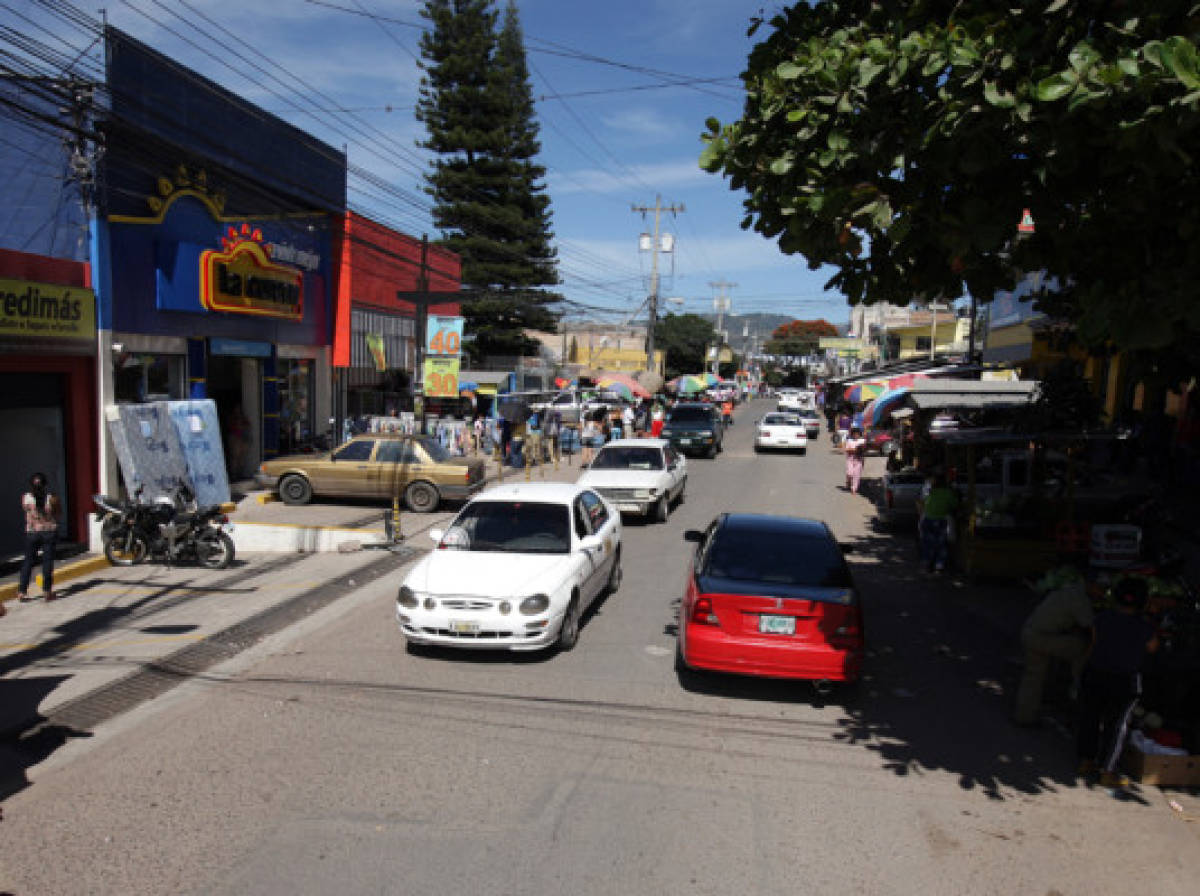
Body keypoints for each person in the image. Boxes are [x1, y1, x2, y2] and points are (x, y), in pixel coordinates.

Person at [1076, 577, 1158, 787]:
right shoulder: (1144, 627)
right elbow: (1152, 648)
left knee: (1090, 717)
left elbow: (1093, 643)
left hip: (1095, 673)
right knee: (1117, 725)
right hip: (1124, 680)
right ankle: (1107, 771)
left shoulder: (1101, 618)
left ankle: (1086, 761)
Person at [1012, 566, 1094, 726]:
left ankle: (1024, 716)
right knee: (1082, 648)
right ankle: (1076, 687)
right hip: (1042, 637)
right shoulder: (1080, 599)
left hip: (1030, 633)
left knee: (1033, 675)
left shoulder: (1068, 590)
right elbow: (1091, 630)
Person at [17, 472, 62, 603]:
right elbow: (58, 514)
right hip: (49, 532)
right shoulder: (51, 498)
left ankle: (22, 591)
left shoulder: (26, 498)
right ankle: (47, 591)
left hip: (32, 532)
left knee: (28, 561)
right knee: (47, 562)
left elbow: (26, 511)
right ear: (45, 484)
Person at [918, 471, 958, 572]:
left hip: (928, 519)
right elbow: (955, 505)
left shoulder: (931, 492)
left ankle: (926, 564)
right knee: (941, 544)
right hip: (940, 520)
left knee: (927, 543)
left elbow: (923, 502)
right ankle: (939, 565)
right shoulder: (948, 493)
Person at [841, 426, 867, 495]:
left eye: (857, 434)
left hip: (859, 460)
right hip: (850, 459)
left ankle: (854, 489)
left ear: (859, 434)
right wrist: (854, 450)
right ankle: (848, 481)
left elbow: (865, 449)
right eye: (854, 434)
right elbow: (846, 449)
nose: (856, 435)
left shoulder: (862, 441)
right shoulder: (849, 441)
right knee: (850, 473)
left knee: (856, 475)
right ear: (852, 434)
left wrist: (861, 450)